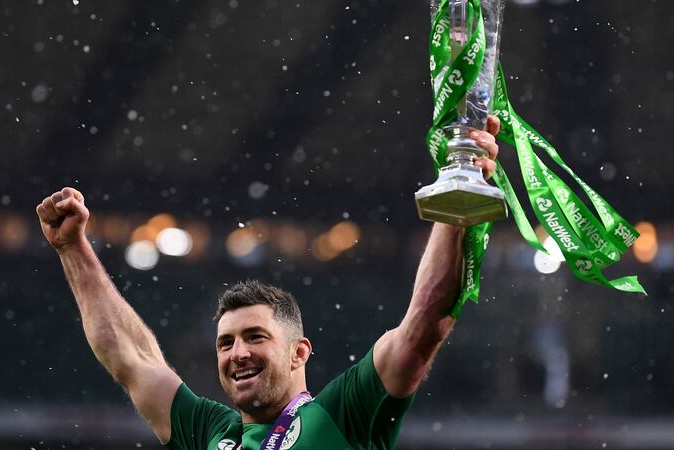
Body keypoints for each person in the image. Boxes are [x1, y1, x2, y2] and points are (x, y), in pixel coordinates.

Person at [35, 117, 501, 450]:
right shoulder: (209, 433)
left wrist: (456, 204)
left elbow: (424, 324)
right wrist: (73, 248)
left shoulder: (343, 414)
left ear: (300, 351)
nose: (237, 354)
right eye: (225, 343)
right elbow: (128, 357)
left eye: (255, 337)